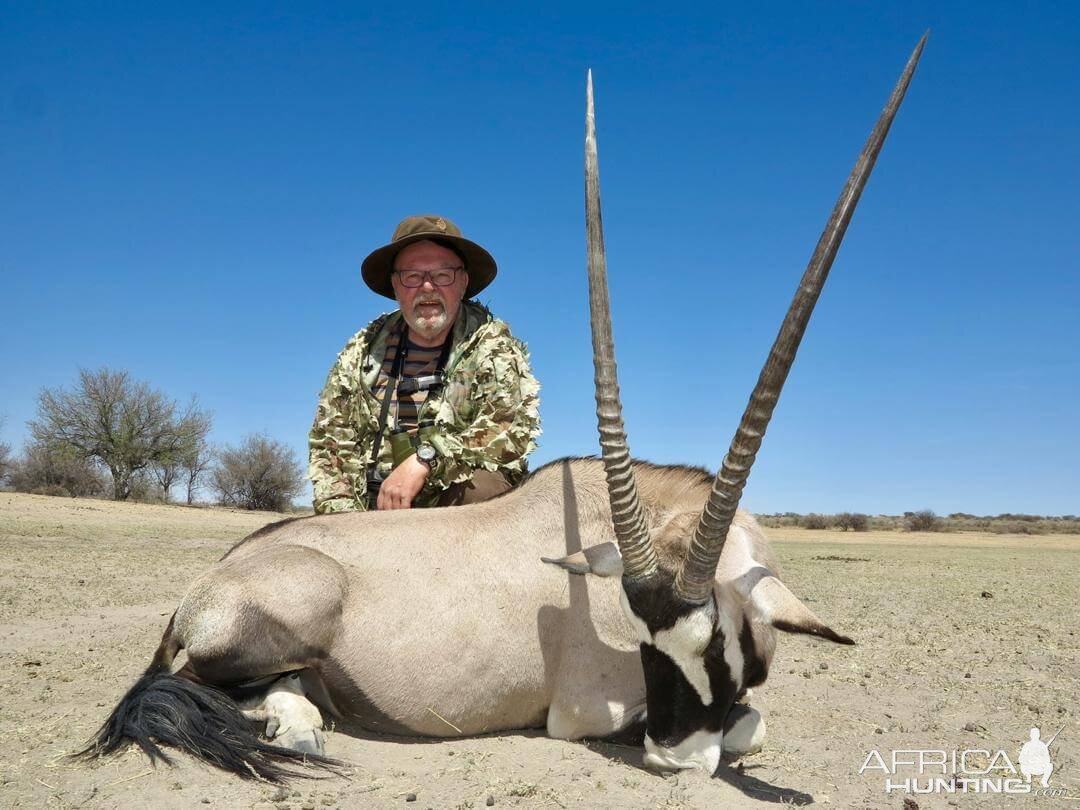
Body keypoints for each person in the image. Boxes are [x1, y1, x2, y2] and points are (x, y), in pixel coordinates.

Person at [309, 214, 541, 513]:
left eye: (443, 275)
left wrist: (425, 461)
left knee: (484, 488)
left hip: (454, 511)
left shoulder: (496, 347)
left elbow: (506, 431)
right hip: (371, 512)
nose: (428, 287)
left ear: (463, 282)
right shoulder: (361, 349)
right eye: (412, 276)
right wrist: (346, 522)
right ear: (395, 285)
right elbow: (331, 443)